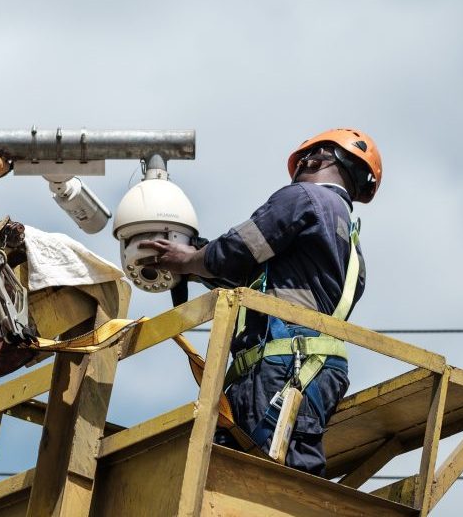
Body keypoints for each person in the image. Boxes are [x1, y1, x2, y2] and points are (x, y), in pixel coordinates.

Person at [137, 128, 383, 476]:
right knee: (287, 471)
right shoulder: (352, 245)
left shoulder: (304, 198)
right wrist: (197, 262)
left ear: (317, 159)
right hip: (315, 367)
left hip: (283, 363)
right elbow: (254, 278)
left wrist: (186, 261)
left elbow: (238, 250)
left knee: (249, 474)